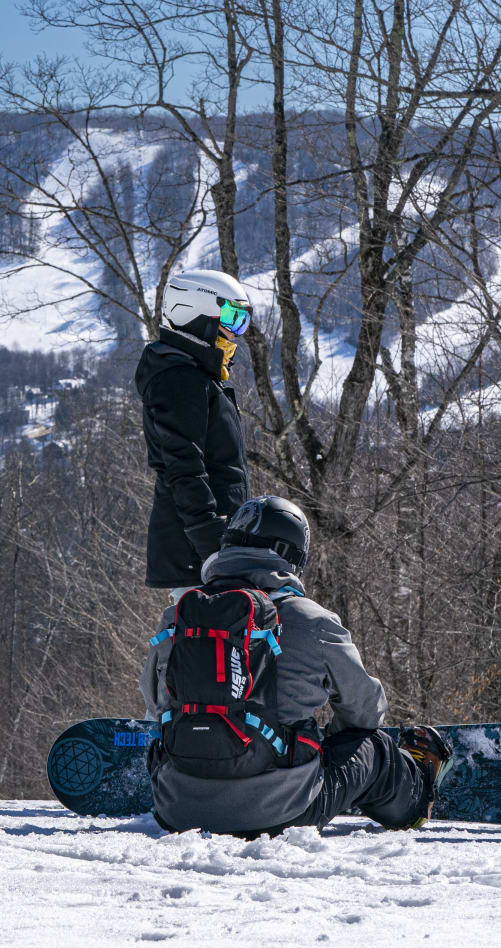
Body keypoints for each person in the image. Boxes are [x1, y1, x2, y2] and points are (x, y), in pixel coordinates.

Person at [140, 494, 449, 835]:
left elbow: (155, 702)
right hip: (278, 814)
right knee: (372, 747)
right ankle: (417, 795)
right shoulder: (312, 620)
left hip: (175, 811)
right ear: (291, 556)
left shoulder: (178, 616)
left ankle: (200, 790)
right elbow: (366, 713)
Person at [136, 269, 253, 593]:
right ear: (195, 311)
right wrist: (213, 546)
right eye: (231, 317)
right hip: (198, 558)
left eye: (242, 320)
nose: (235, 333)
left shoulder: (194, 377)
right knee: (207, 641)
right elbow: (183, 468)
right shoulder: (179, 379)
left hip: (210, 552)